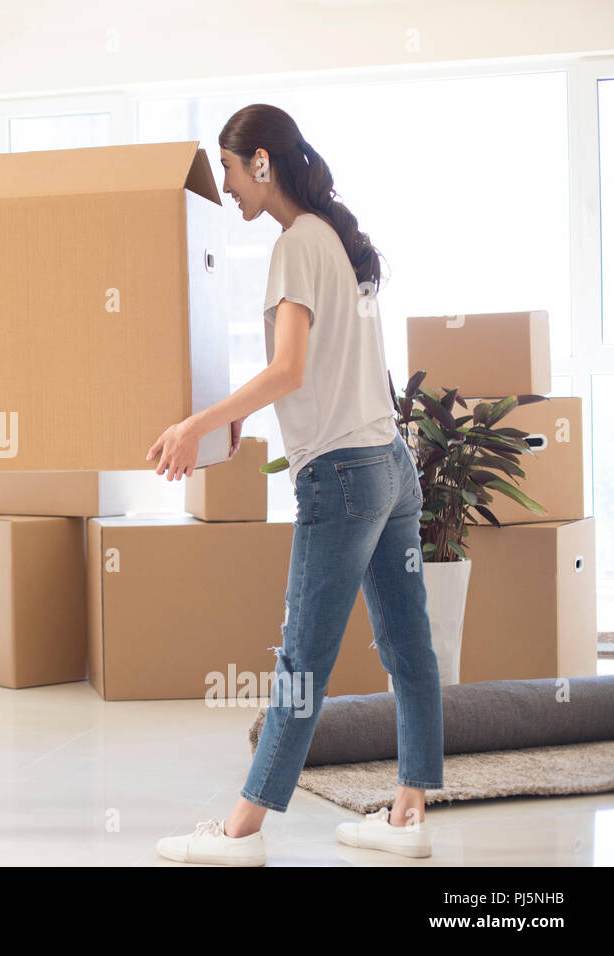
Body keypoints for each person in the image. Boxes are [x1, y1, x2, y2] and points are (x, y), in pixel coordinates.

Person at [146, 104, 444, 865]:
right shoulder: (335, 239)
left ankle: (241, 831)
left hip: (341, 478)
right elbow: (341, 368)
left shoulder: (294, 245)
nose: (227, 186)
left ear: (264, 163)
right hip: (389, 466)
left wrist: (195, 425)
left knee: (301, 662)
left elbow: (290, 368)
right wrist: (253, 418)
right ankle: (408, 813)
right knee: (408, 643)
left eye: (230, 169)